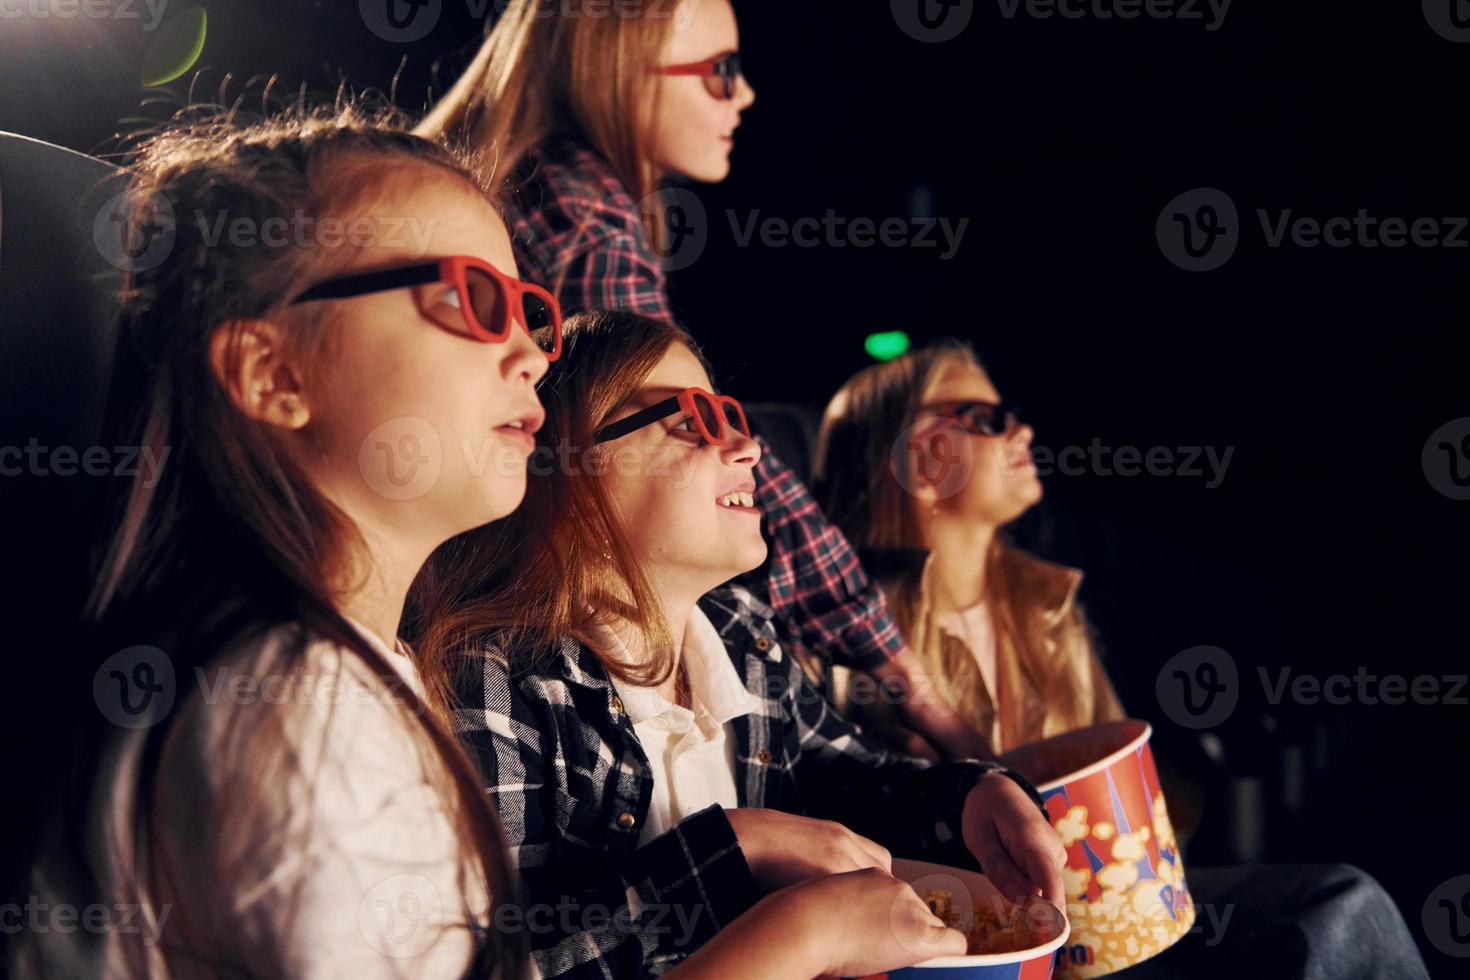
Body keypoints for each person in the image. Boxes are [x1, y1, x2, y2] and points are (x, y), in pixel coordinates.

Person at [8, 108, 558, 978]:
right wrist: (796, 940)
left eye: (532, 312)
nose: (531, 352)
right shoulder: (294, 706)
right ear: (274, 376)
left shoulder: (337, 671)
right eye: (471, 297)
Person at [412, 310, 1068, 979]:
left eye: (730, 416)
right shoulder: (494, 675)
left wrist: (970, 797)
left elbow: (844, 776)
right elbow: (508, 963)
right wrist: (732, 849)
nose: (749, 447)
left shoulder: (741, 631)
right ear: (567, 468)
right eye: (692, 420)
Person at [416, 0, 990, 758]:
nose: (745, 94)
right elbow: (672, 417)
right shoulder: (586, 219)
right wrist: (905, 676)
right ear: (619, 72)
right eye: (721, 71)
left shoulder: (532, 191)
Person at [814, 338, 1125, 757]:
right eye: (986, 418)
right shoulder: (838, 642)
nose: (1024, 431)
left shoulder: (1048, 601)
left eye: (1011, 416)